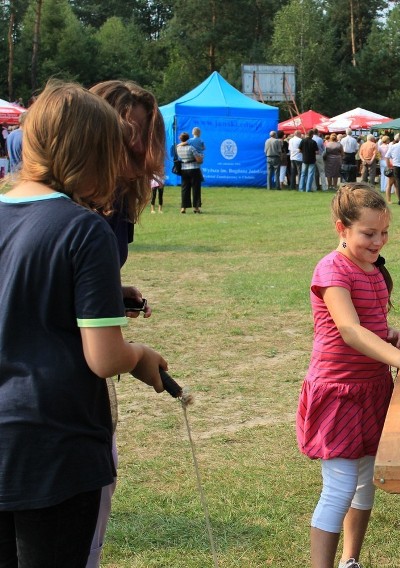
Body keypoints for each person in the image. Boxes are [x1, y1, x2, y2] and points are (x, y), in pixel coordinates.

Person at [0, 80, 167, 568]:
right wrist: (141, 359)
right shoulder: (83, 227)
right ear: (91, 150)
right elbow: (105, 357)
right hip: (54, 442)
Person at [297, 183, 400, 568]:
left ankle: (350, 561)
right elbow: (349, 329)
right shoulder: (331, 269)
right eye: (368, 234)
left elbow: (368, 325)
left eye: (383, 233)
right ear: (342, 229)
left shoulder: (372, 269)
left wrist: (388, 333)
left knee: (364, 485)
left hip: (372, 389)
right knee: (339, 489)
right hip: (340, 392)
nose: (378, 242)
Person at [87, 78, 166, 567]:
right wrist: (136, 357)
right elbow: (107, 357)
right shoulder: (77, 213)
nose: (135, 145)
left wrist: (112, 292)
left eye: (140, 131)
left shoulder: (118, 204)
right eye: (123, 130)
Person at [176, 132, 203, 213]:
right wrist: (201, 158)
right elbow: (198, 160)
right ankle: (196, 208)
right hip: (194, 169)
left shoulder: (178, 148)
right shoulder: (191, 148)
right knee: (195, 188)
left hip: (184, 169)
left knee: (185, 188)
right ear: (188, 139)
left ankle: (183, 208)